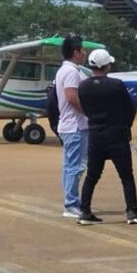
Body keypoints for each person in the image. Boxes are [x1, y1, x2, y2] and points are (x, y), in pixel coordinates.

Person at [75, 49, 137, 225]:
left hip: (96, 135)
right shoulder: (116, 85)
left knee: (92, 176)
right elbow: (130, 109)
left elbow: (85, 109)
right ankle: (131, 212)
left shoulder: (83, 86)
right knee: (126, 175)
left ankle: (85, 211)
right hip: (117, 134)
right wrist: (126, 125)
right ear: (106, 66)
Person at [55, 34, 89, 219]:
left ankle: (72, 201)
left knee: (72, 165)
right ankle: (71, 203)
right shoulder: (71, 72)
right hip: (75, 126)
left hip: (72, 125)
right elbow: (71, 96)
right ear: (75, 52)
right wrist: (88, 112)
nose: (84, 53)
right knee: (75, 166)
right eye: (82, 49)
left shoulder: (67, 70)